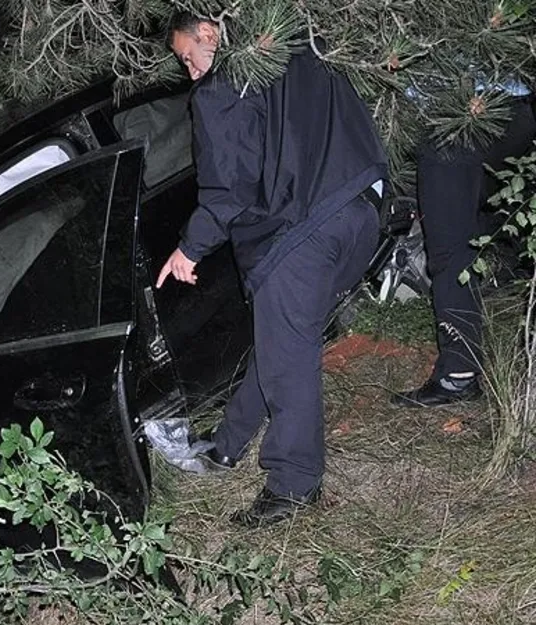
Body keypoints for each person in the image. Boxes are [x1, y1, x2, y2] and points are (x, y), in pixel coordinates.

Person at [159, 13, 388, 526]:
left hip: (299, 228)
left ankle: (292, 485)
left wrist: (189, 250)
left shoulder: (222, 88)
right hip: (361, 208)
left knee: (289, 356)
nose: (191, 73)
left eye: (188, 58)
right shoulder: (305, 41)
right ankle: (226, 445)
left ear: (209, 35)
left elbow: (229, 187)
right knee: (286, 341)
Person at [390, 83, 536, 407]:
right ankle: (503, 293)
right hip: (515, 107)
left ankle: (458, 375)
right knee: (488, 211)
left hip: (454, 116)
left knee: (450, 245)